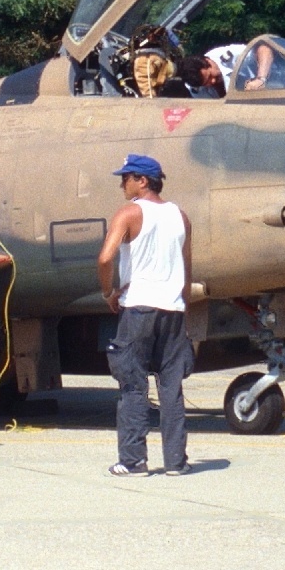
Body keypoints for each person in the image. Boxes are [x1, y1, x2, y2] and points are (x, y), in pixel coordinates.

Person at [95, 155, 193, 477]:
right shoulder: (181, 217)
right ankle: (176, 462)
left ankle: (134, 461)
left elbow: (105, 257)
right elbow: (187, 270)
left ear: (143, 181)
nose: (121, 183)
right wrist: (183, 309)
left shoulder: (129, 213)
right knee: (171, 387)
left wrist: (109, 292)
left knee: (133, 385)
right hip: (173, 309)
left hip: (139, 308)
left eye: (126, 177)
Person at [179, 41, 276, 97]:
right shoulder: (194, 87)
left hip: (274, 88)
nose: (212, 81)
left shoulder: (226, 55)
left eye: (210, 76)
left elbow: (264, 49)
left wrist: (260, 79)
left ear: (208, 61)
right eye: (206, 83)